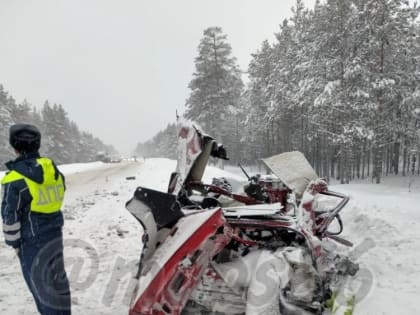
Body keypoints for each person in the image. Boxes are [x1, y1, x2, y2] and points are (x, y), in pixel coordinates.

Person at [1, 123, 71, 314]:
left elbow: (9, 214)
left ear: (14, 146)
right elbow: (61, 190)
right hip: (55, 234)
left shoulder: (14, 179)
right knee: (58, 281)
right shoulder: (52, 170)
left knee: (41, 287)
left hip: (31, 241)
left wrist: (13, 243)